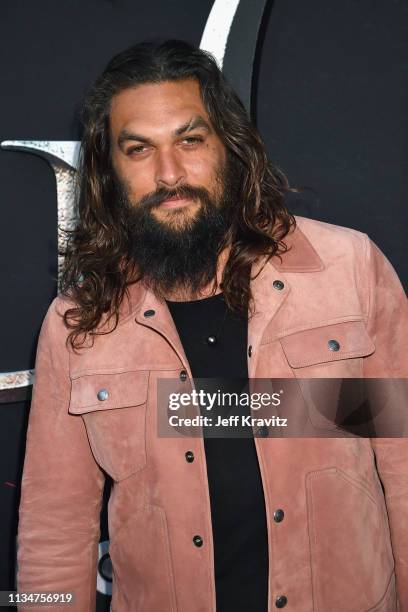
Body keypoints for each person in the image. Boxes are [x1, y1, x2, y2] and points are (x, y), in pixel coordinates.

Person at [17, 40, 407, 612]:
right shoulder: (78, 324)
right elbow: (52, 528)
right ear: (108, 171)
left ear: (230, 145)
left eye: (190, 140)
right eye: (138, 149)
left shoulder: (348, 269)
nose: (170, 173)